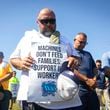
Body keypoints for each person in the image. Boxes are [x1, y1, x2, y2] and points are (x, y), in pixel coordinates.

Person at [9, 8, 82, 110]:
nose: (48, 24)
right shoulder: (27, 38)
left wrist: (74, 59)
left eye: (52, 21)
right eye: (44, 21)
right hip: (33, 100)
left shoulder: (65, 40)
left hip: (63, 101)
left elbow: (77, 58)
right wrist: (21, 63)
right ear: (37, 22)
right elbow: (13, 59)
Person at [71, 32, 100, 110]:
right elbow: (71, 69)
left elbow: (94, 68)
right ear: (74, 40)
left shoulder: (88, 54)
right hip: (78, 90)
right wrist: (86, 80)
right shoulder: (69, 52)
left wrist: (94, 79)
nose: (83, 44)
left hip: (91, 89)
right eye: (80, 42)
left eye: (85, 43)